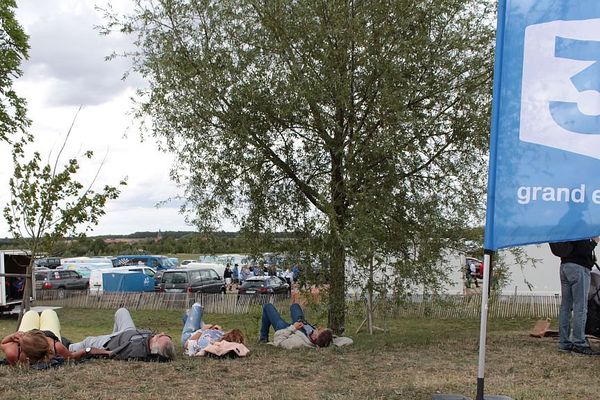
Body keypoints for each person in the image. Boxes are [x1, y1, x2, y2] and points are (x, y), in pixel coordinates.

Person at [1, 309, 110, 366]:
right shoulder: (56, 347)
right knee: (49, 312)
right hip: (48, 335)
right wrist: (88, 350)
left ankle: (28, 326)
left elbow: (2, 344)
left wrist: (12, 336)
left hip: (29, 338)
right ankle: (44, 316)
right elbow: (71, 357)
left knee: (30, 313)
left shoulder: (13, 352)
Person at [69, 308, 176, 362]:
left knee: (88, 340)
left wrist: (87, 350)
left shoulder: (135, 350)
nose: (161, 333)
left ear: (154, 347)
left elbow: (111, 354)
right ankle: (114, 333)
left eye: (161, 336)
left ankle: (69, 347)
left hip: (113, 342)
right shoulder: (152, 346)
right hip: (129, 331)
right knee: (122, 311)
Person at [557, 237, 600, 355]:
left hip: (565, 266)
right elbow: (583, 249)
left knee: (565, 306)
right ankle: (579, 343)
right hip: (579, 268)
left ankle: (564, 343)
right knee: (580, 306)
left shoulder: (567, 226)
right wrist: (594, 242)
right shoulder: (581, 226)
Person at [259, 303, 352, 349]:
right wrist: (331, 339)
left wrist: (293, 328)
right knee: (295, 306)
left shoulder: (298, 343)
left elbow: (279, 341)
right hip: (300, 324)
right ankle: (295, 316)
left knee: (268, 307)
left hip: (286, 330)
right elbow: (349, 340)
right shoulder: (326, 339)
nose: (318, 328)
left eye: (318, 330)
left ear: (315, 338)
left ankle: (263, 338)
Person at [181, 302, 246, 356]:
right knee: (188, 316)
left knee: (196, 306)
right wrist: (215, 329)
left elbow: (188, 343)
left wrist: (203, 329)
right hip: (201, 332)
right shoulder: (221, 335)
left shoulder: (212, 342)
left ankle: (191, 313)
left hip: (189, 336)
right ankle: (190, 315)